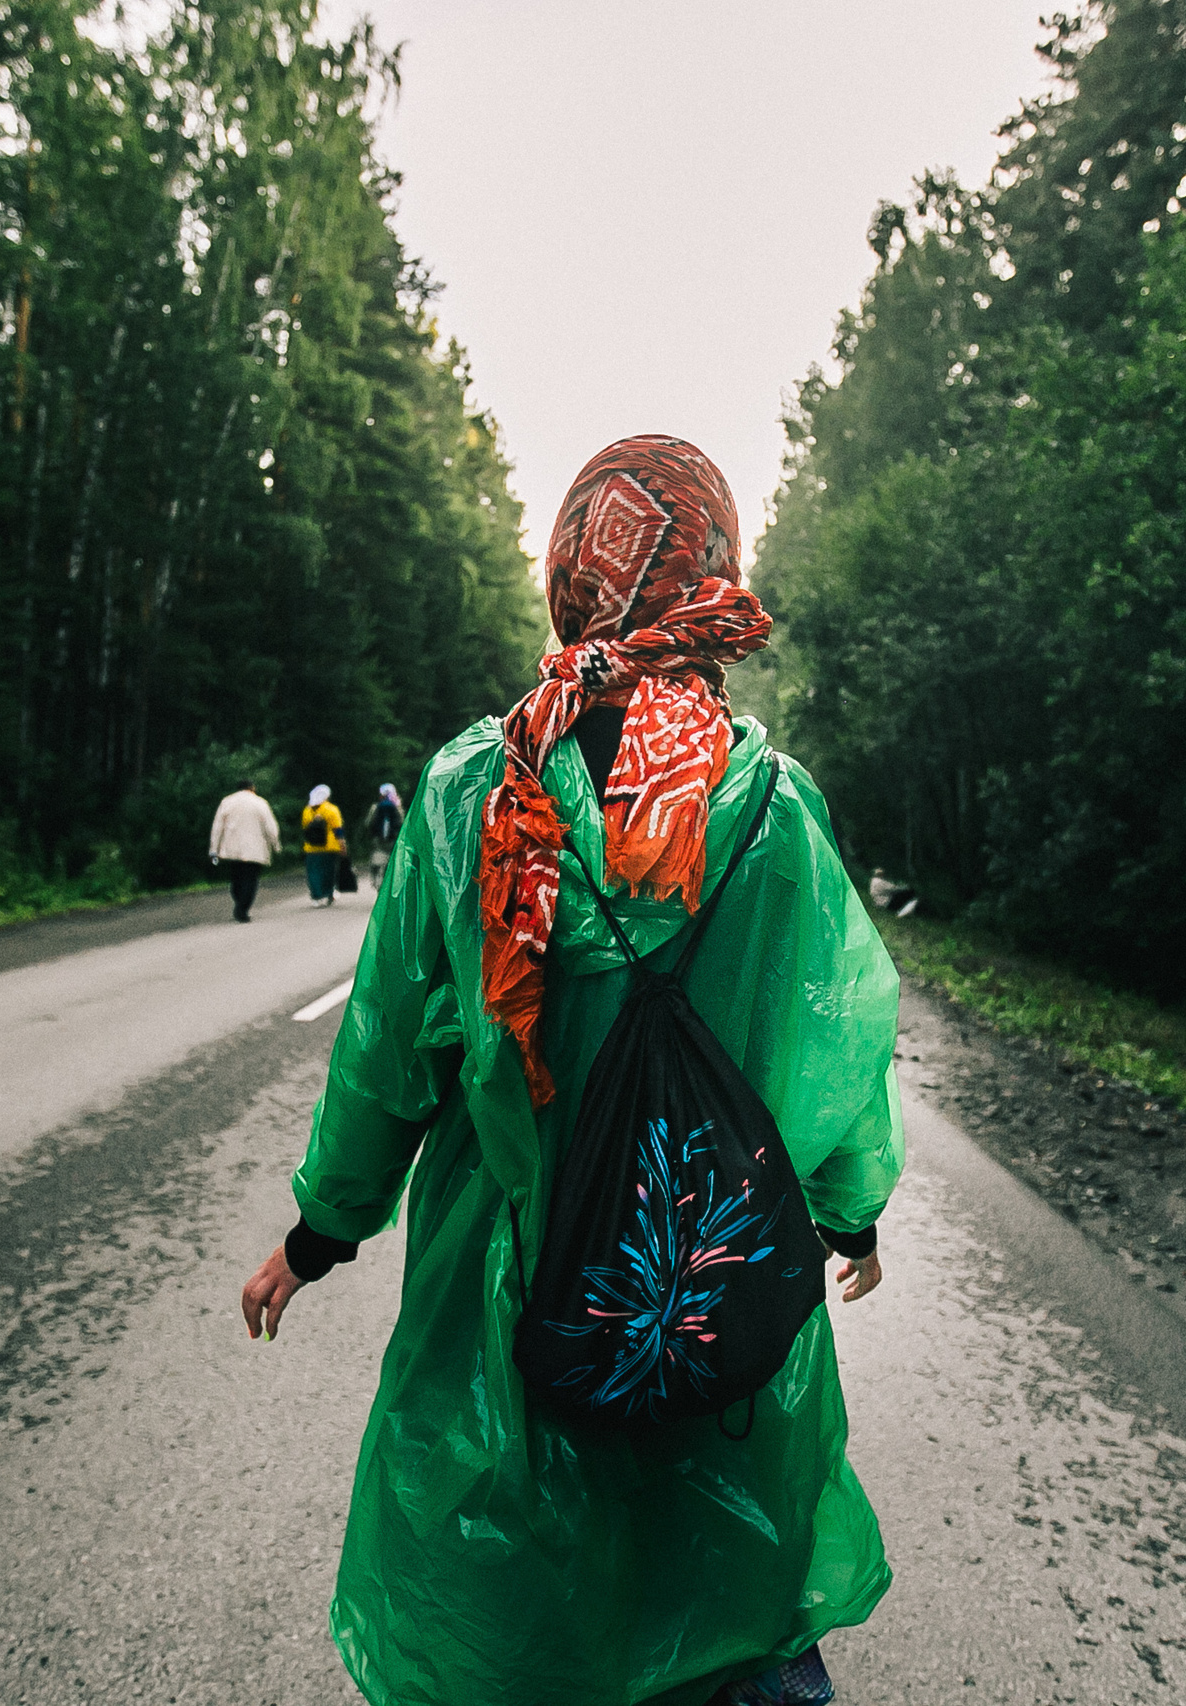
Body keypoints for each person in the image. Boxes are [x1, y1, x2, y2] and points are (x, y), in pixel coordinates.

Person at [240, 436, 903, 1706]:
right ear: (711, 573)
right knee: (718, 1576)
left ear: (566, 576)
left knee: (516, 1600)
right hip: (701, 1272)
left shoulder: (470, 791)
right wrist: (849, 1212)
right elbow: (837, 1038)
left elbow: (389, 1054)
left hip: (508, 1275)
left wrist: (319, 1235)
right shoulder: (770, 807)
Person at [207, 779, 283, 922]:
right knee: (250, 879)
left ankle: (239, 903)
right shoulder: (260, 803)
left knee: (236, 878)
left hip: (232, 849)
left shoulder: (227, 802)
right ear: (252, 788)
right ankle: (242, 909)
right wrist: (276, 845)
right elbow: (271, 827)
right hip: (255, 849)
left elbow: (217, 827)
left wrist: (214, 849)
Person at [301, 784, 347, 905]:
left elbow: (305, 828)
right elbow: (338, 829)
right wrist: (342, 845)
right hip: (329, 847)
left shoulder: (307, 810)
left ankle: (316, 896)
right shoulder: (331, 809)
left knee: (313, 872)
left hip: (311, 847)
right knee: (329, 871)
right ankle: (328, 894)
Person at [360, 782, 403, 882]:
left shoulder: (375, 807)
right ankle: (389, 880)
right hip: (393, 839)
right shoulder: (397, 807)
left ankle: (377, 879)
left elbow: (368, 823)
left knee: (378, 857)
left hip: (377, 839)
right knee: (391, 860)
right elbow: (401, 823)